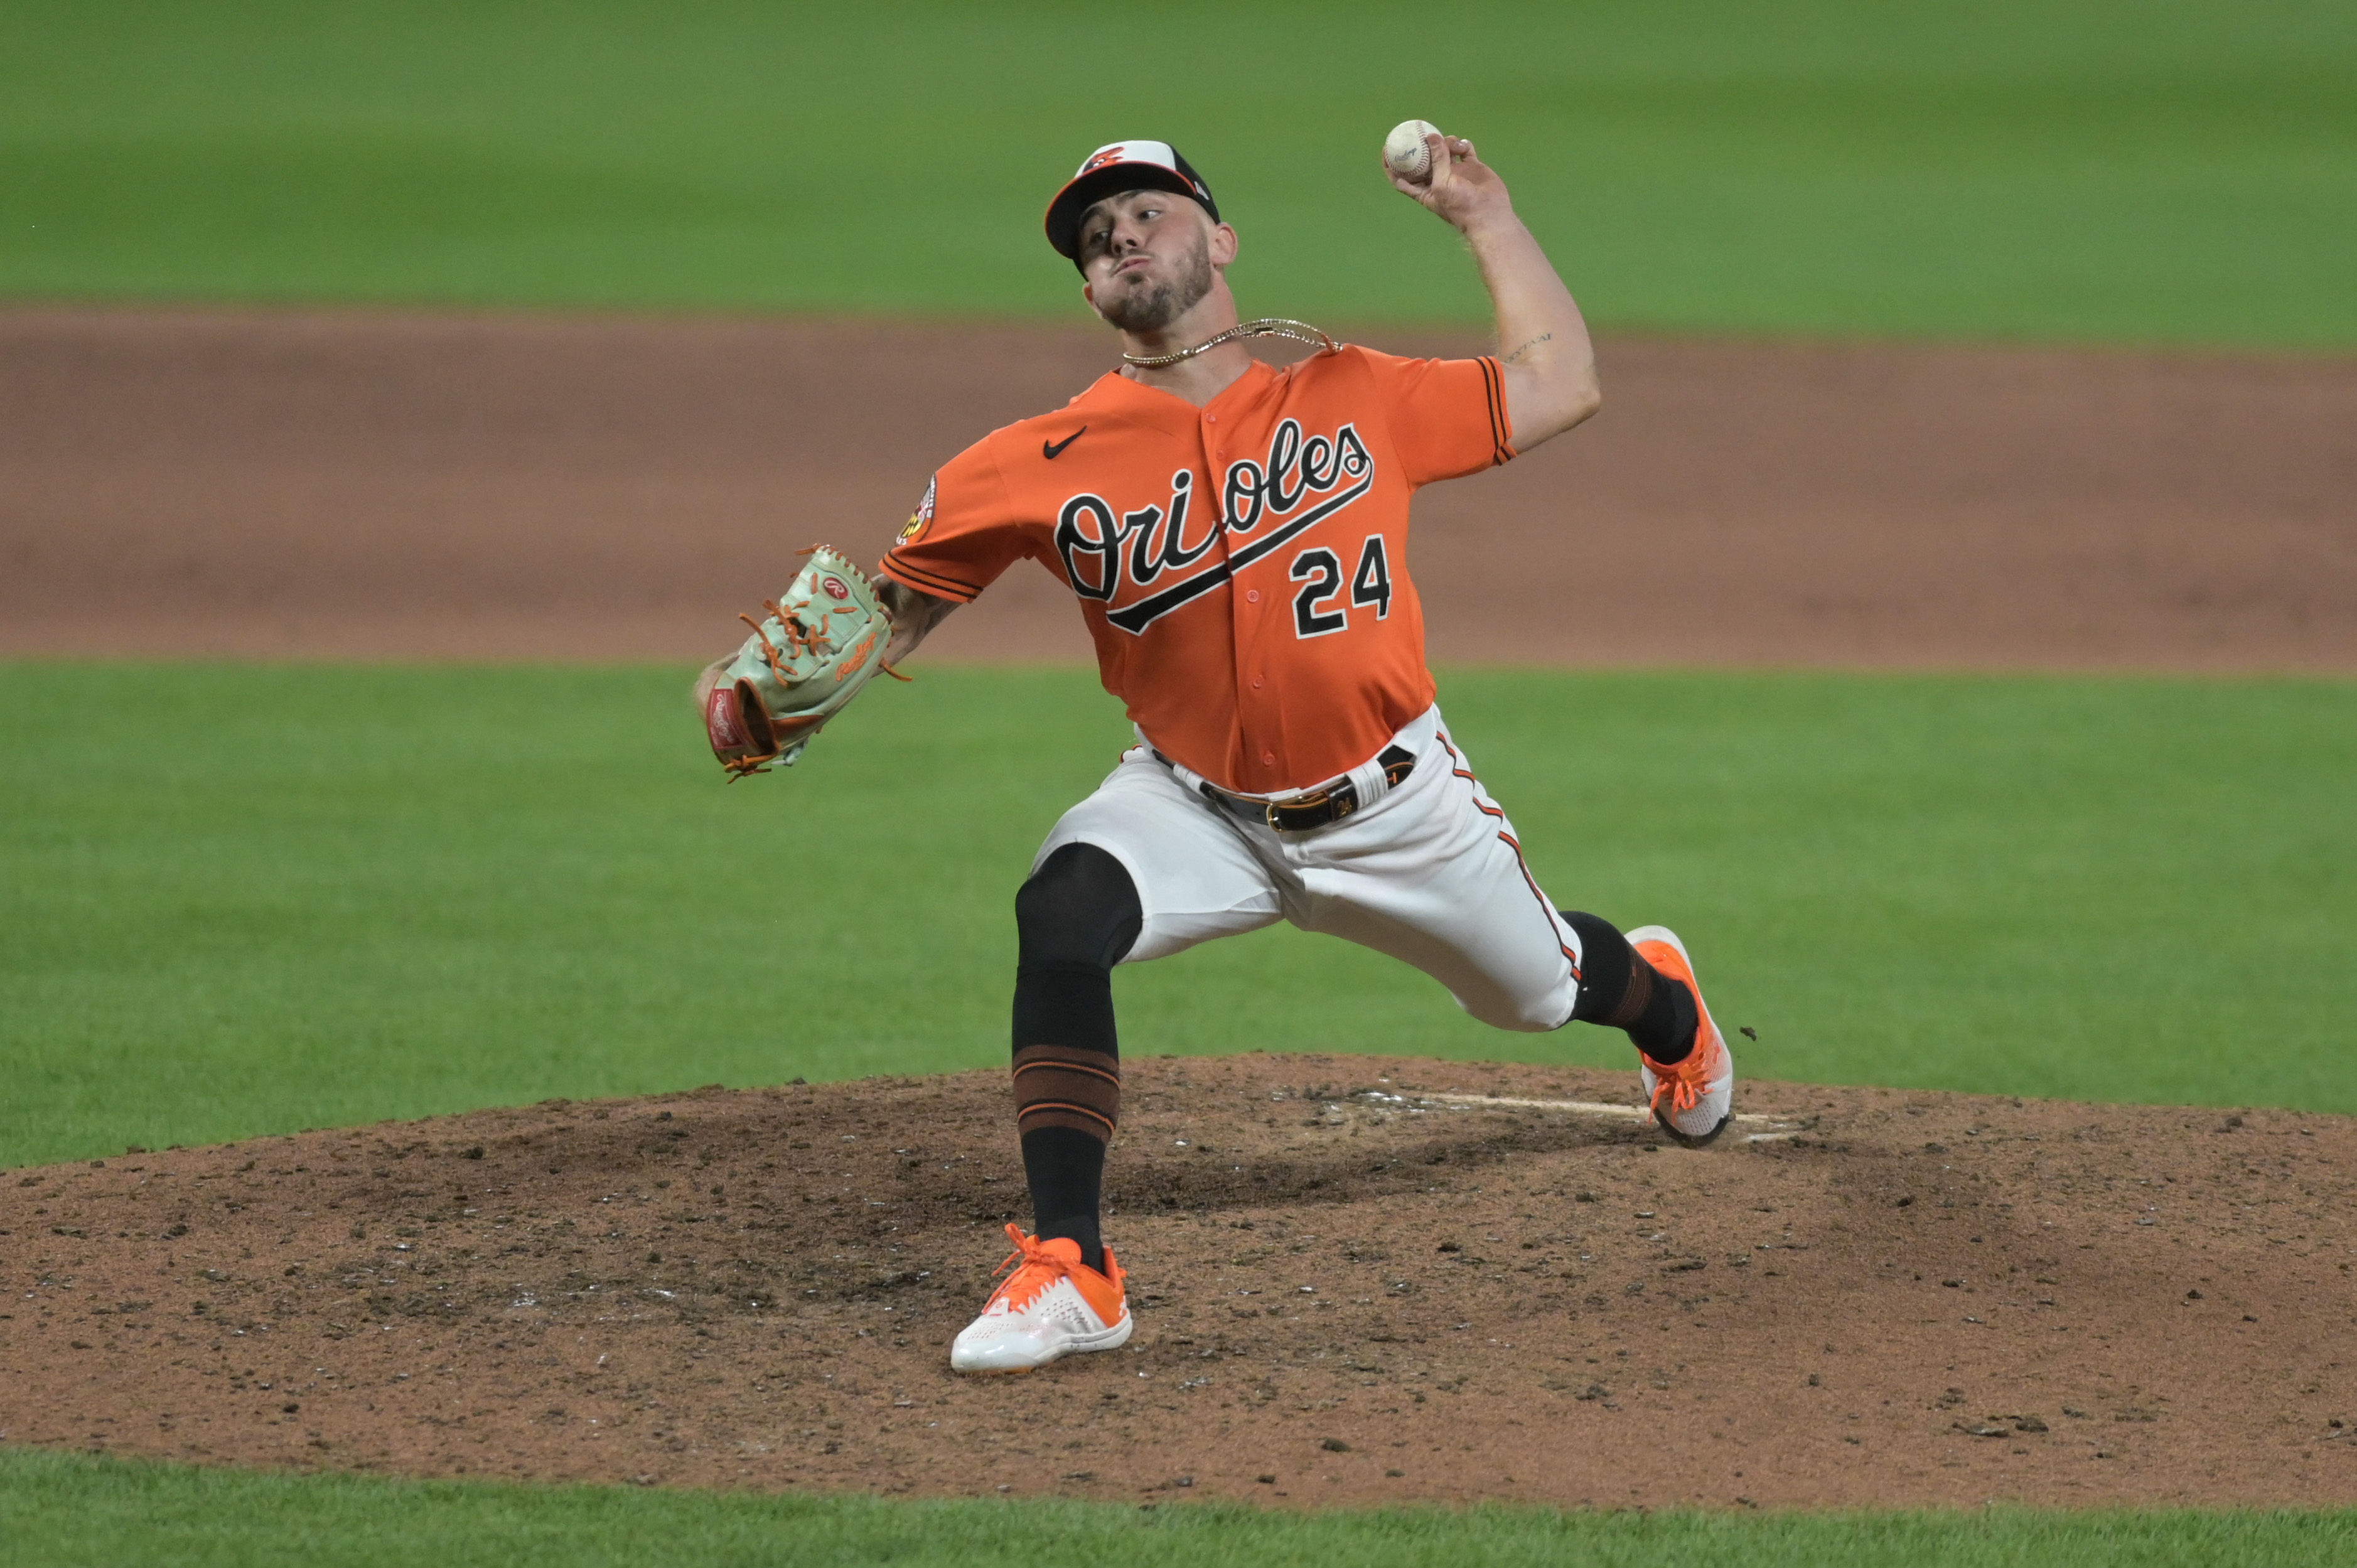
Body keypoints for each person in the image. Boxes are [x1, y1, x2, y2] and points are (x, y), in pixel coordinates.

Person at [868, 134, 1734, 1375]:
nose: (1119, 235)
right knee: (1060, 911)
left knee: (1540, 989)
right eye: (1093, 233)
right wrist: (770, 692)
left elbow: (1561, 385)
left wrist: (1485, 217)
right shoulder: (1032, 460)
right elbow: (894, 604)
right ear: (1087, 289)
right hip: (1192, 805)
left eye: (1147, 212)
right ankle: (1074, 1267)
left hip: (1400, 806)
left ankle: (1665, 1003)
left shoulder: (1353, 393)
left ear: (1220, 242)